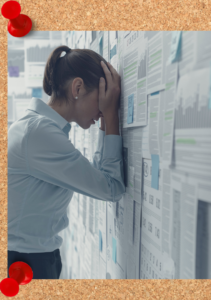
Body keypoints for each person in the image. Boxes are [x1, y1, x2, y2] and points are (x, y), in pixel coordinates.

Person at [7, 45, 126, 279]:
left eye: (106, 102)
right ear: (78, 87)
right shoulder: (40, 134)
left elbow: (98, 177)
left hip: (30, 257)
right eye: (100, 99)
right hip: (26, 261)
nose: (102, 109)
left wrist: (106, 119)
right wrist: (111, 115)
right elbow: (111, 188)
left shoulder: (38, 128)